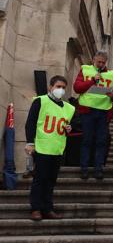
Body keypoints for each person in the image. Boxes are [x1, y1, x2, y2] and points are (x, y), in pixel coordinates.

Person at [25, 76, 75, 221]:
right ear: (50, 87)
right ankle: (36, 208)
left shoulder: (69, 108)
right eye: (58, 86)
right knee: (40, 179)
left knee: (51, 181)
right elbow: (31, 123)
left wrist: (68, 129)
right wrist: (30, 142)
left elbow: (65, 127)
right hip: (42, 146)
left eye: (64, 87)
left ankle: (48, 208)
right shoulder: (40, 101)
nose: (61, 90)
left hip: (57, 148)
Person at [73, 50, 113, 180]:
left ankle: (98, 168)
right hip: (87, 112)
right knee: (87, 140)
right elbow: (77, 88)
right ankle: (84, 168)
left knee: (101, 142)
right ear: (94, 60)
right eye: (98, 62)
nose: (100, 64)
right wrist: (92, 81)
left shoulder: (112, 75)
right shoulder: (85, 70)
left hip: (103, 112)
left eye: (103, 62)